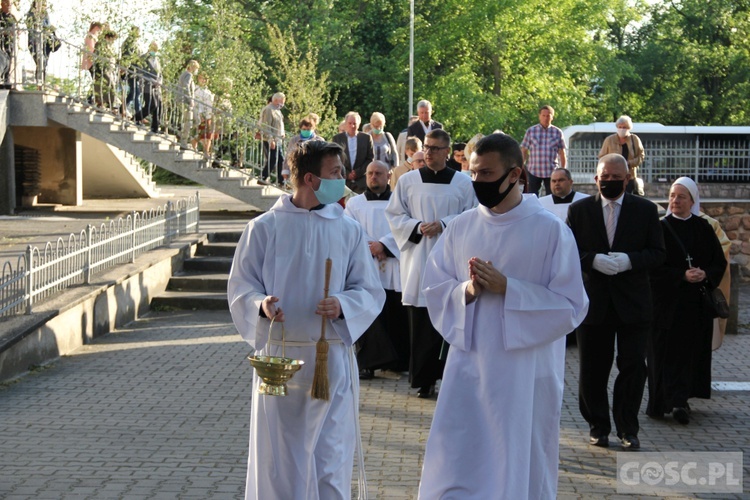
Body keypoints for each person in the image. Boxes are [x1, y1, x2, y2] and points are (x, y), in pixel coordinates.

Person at [418, 133, 589, 499]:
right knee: (459, 454)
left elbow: (572, 305)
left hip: (524, 372)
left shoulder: (550, 230)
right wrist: (467, 290)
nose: (478, 182)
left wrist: (509, 287)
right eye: (474, 173)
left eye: (486, 174)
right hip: (469, 365)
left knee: (516, 458)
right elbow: (433, 287)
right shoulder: (462, 226)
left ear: (515, 175)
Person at [227, 140, 385, 499]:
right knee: (279, 458)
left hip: (329, 362)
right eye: (336, 173)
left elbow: (369, 289)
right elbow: (240, 285)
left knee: (330, 456)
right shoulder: (264, 228)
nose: (344, 179)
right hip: (280, 363)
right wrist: (260, 304)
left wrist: (343, 304)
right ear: (311, 179)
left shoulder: (348, 229)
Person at [567, 153, 665, 450]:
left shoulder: (646, 211)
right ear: (596, 179)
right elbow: (567, 252)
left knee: (633, 368)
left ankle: (628, 428)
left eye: (615, 178)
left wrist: (630, 261)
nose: (609, 182)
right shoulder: (579, 210)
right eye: (604, 177)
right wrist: (591, 260)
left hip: (633, 305)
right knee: (592, 370)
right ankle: (598, 426)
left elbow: (659, 253)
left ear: (627, 179)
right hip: (594, 304)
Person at [386, 129, 475, 398]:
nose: (430, 152)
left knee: (448, 319)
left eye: (436, 148)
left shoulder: (462, 183)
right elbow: (394, 214)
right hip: (418, 259)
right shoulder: (409, 181)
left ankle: (448, 376)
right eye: (427, 147)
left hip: (451, 261)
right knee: (421, 323)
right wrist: (415, 226)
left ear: (447, 151)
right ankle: (423, 380)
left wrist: (444, 224)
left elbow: (472, 216)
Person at [647, 177, 726, 425]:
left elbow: (718, 262)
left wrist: (705, 274)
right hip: (667, 305)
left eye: (681, 197)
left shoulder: (703, 228)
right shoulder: (659, 228)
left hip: (694, 305)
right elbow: (652, 266)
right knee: (663, 354)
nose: (675, 201)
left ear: (692, 200)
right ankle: (662, 401)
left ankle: (681, 400)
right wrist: (681, 275)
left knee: (689, 354)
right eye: (672, 196)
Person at [345, 161, 409, 378]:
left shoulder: (400, 202)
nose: (374, 177)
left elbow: (405, 226)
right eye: (370, 173)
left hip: (395, 266)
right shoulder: (354, 204)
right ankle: (368, 364)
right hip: (367, 265)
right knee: (368, 315)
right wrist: (373, 246)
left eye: (379, 173)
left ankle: (397, 363)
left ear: (389, 175)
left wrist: (385, 245)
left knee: (395, 314)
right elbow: (350, 231)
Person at [520, 105, 566, 196]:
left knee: (552, 197)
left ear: (552, 117)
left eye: (548, 116)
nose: (545, 118)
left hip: (551, 171)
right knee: (531, 197)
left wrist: (563, 171)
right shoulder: (531, 131)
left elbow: (562, 153)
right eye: (543, 115)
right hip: (533, 170)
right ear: (539, 116)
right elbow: (524, 151)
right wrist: (521, 167)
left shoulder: (557, 132)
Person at [598, 115, 645, 195]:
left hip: (629, 176)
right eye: (620, 127)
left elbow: (641, 155)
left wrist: (629, 163)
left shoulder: (634, 139)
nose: (622, 129)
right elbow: (602, 156)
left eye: (624, 127)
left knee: (627, 198)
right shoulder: (609, 140)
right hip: (612, 176)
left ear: (629, 128)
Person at [332, 111, 374, 193]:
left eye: (355, 123)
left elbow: (370, 158)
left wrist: (357, 173)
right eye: (350, 123)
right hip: (343, 182)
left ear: (359, 124)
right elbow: (334, 158)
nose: (352, 126)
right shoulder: (337, 139)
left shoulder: (366, 138)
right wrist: (347, 174)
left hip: (361, 182)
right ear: (346, 123)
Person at [281, 115, 325, 187]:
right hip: (297, 172)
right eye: (304, 129)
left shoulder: (319, 140)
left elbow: (323, 158)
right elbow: (288, 156)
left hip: (314, 172)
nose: (306, 131)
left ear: (313, 129)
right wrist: (285, 170)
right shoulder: (294, 140)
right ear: (300, 128)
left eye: (308, 129)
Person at [133, 42, 162, 133]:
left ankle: (155, 127)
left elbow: (160, 73)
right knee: (152, 104)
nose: (155, 51)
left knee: (158, 106)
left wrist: (160, 82)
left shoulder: (157, 59)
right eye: (153, 48)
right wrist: (152, 81)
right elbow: (141, 72)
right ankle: (136, 117)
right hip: (147, 85)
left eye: (156, 49)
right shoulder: (144, 58)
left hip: (157, 87)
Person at [259, 92, 286, 182]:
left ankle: (281, 180)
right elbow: (266, 126)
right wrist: (271, 140)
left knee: (280, 160)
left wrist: (282, 133)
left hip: (277, 138)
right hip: (270, 139)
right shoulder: (269, 109)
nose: (282, 104)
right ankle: (263, 177)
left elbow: (279, 124)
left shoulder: (277, 110)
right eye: (281, 101)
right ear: (275, 100)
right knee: (274, 159)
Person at [25, 0, 54, 84]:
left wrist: (49, 29)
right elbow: (29, 25)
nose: (44, 6)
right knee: (40, 60)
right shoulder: (31, 13)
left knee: (44, 63)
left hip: (45, 42)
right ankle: (39, 81)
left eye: (45, 4)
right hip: (34, 41)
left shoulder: (45, 14)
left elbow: (48, 26)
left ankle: (41, 82)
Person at [92, 30, 118, 111]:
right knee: (108, 85)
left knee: (108, 86)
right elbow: (98, 55)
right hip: (101, 68)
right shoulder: (100, 44)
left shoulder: (110, 47)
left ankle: (107, 104)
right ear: (107, 37)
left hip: (109, 69)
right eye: (112, 39)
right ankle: (105, 104)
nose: (112, 41)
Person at [120, 26, 142, 119]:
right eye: (138, 32)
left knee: (135, 92)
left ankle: (122, 108)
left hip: (135, 71)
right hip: (131, 70)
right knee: (135, 92)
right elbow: (127, 56)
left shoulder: (134, 42)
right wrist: (125, 68)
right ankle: (139, 114)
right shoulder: (130, 42)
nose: (139, 34)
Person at [178, 59, 199, 147]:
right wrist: (190, 99)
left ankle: (188, 138)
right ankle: (184, 140)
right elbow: (186, 86)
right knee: (188, 121)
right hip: (186, 101)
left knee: (196, 120)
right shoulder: (188, 75)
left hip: (185, 100)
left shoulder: (184, 74)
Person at [192, 73, 215, 154]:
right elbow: (196, 104)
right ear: (198, 79)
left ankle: (206, 152)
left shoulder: (208, 91)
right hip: (201, 114)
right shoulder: (196, 90)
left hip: (209, 115)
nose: (203, 80)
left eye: (205, 79)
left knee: (208, 135)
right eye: (202, 78)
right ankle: (194, 147)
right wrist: (200, 114)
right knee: (200, 134)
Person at [0, 0, 16, 89]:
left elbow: (15, 29)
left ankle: (6, 79)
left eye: (10, 5)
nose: (9, 6)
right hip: (1, 42)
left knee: (9, 59)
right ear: (2, 4)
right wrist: (4, 32)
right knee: (2, 60)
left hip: (9, 42)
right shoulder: (0, 15)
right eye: (7, 4)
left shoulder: (11, 17)